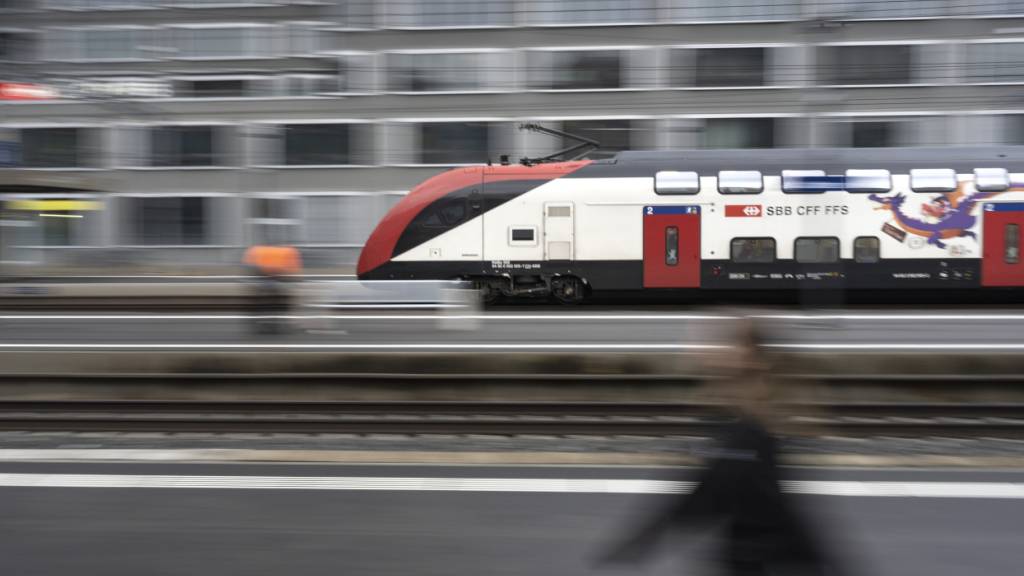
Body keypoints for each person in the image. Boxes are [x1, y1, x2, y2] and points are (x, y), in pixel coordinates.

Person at [599, 319, 844, 576]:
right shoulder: (740, 419)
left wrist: (642, 539)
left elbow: (713, 490)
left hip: (761, 555)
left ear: (746, 353)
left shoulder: (748, 428)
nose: (695, 349)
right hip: (754, 554)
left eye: (714, 342)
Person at [242, 244, 302, 334]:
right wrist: (292, 281)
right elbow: (291, 271)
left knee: (262, 298)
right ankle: (274, 321)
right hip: (270, 273)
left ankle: (258, 318)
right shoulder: (290, 252)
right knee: (276, 299)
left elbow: (249, 265)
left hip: (261, 272)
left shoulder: (256, 250)